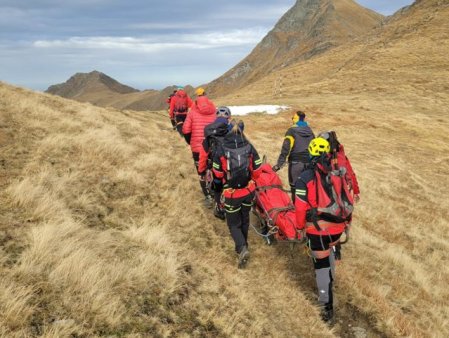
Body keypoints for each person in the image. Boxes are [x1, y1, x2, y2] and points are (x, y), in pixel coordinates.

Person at [294, 137, 355, 323]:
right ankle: (330, 282)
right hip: (338, 227)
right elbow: (347, 197)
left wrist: (299, 227)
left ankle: (326, 307)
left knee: (320, 266)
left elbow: (300, 208)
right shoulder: (338, 172)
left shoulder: (305, 178)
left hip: (318, 229)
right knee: (329, 253)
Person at [213, 119, 262, 268]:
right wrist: (251, 180)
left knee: (233, 223)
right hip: (248, 191)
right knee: (245, 218)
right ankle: (243, 244)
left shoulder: (221, 149)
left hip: (231, 193)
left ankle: (241, 248)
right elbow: (258, 170)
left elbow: (217, 173)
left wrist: (219, 186)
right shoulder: (249, 146)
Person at [182, 87, 216, 205]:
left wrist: (190, 142)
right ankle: (216, 193)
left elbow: (186, 130)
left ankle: (207, 196)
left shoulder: (192, 112)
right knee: (214, 169)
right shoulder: (214, 110)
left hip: (197, 148)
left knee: (201, 170)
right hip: (213, 146)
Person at [198, 106, 232, 220]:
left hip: (216, 167)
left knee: (217, 186)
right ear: (229, 118)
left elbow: (203, 155)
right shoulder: (234, 131)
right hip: (233, 166)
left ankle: (219, 208)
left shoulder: (209, 134)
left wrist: (201, 171)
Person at [272, 111, 315, 200]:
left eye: (293, 118)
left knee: (295, 189)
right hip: (309, 164)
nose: (292, 120)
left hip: (296, 165)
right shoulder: (310, 131)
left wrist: (278, 165)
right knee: (307, 188)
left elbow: (285, 149)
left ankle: (297, 210)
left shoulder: (291, 131)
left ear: (296, 119)